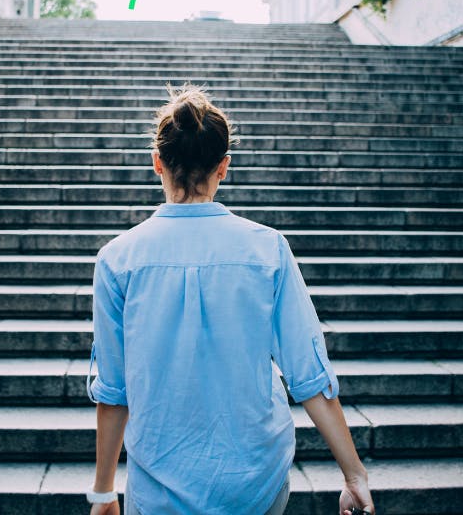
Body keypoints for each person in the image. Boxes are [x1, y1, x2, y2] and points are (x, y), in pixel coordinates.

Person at [86, 83, 375, 515]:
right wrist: (354, 475)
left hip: (160, 480)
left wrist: (104, 492)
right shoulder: (268, 249)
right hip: (256, 478)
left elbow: (113, 390)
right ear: (224, 167)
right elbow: (309, 373)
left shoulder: (117, 259)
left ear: (157, 163)